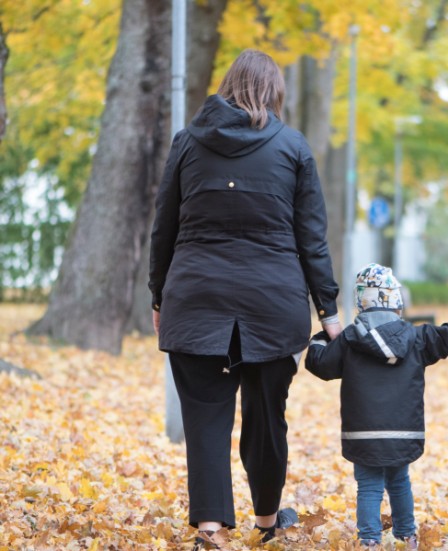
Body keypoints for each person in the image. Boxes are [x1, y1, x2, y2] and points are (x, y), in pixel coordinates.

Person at [148, 49, 342, 549]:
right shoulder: (293, 147)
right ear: (272, 92)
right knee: (266, 416)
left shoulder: (187, 143)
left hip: (195, 297)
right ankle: (267, 518)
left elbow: (162, 229)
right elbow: (311, 239)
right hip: (272, 303)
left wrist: (158, 296)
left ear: (227, 86)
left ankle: (211, 525)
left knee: (206, 417)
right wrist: (330, 312)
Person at [305, 263, 448, 548]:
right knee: (399, 481)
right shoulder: (417, 339)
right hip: (404, 432)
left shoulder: (348, 341)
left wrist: (321, 338)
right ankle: (406, 535)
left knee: (369, 486)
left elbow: (320, 364)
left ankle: (368, 540)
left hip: (363, 434)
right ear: (396, 303)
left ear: (360, 305)